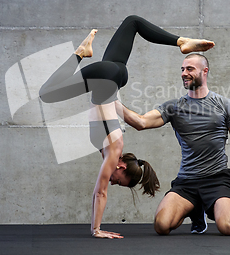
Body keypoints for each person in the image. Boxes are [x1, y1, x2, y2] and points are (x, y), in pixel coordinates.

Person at [39, 15, 215, 238]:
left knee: (132, 22)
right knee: (47, 94)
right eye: (119, 182)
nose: (113, 182)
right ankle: (80, 53)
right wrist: (96, 229)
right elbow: (100, 192)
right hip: (107, 77)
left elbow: (116, 105)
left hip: (117, 74)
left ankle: (181, 42)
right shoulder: (113, 150)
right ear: (121, 167)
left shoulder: (112, 142)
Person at [115, 53, 230, 236]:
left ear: (205, 71)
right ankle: (195, 209)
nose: (184, 73)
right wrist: (110, 100)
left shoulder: (225, 105)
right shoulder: (174, 107)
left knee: (229, 228)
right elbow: (141, 122)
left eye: (190, 69)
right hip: (187, 181)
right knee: (161, 226)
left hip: (217, 179)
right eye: (182, 69)